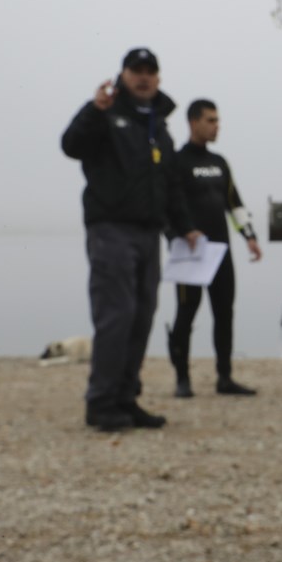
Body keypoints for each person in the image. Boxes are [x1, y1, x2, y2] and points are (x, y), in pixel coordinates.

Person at [62, 47, 201, 432]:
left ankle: (126, 397)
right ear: (122, 75)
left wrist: (185, 227)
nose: (143, 77)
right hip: (110, 230)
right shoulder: (105, 114)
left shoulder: (160, 127)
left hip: (148, 233)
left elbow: (171, 184)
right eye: (136, 70)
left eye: (149, 71)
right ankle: (101, 403)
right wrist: (94, 110)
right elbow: (71, 146)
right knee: (116, 315)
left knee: (141, 316)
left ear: (158, 78)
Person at [166, 99, 261, 398]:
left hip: (220, 252)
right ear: (193, 122)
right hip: (190, 252)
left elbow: (234, 202)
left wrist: (249, 236)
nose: (216, 126)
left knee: (224, 313)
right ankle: (182, 378)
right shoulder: (177, 162)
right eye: (210, 120)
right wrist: (177, 235)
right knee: (186, 313)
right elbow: (167, 207)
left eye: (217, 120)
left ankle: (225, 377)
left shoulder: (219, 162)